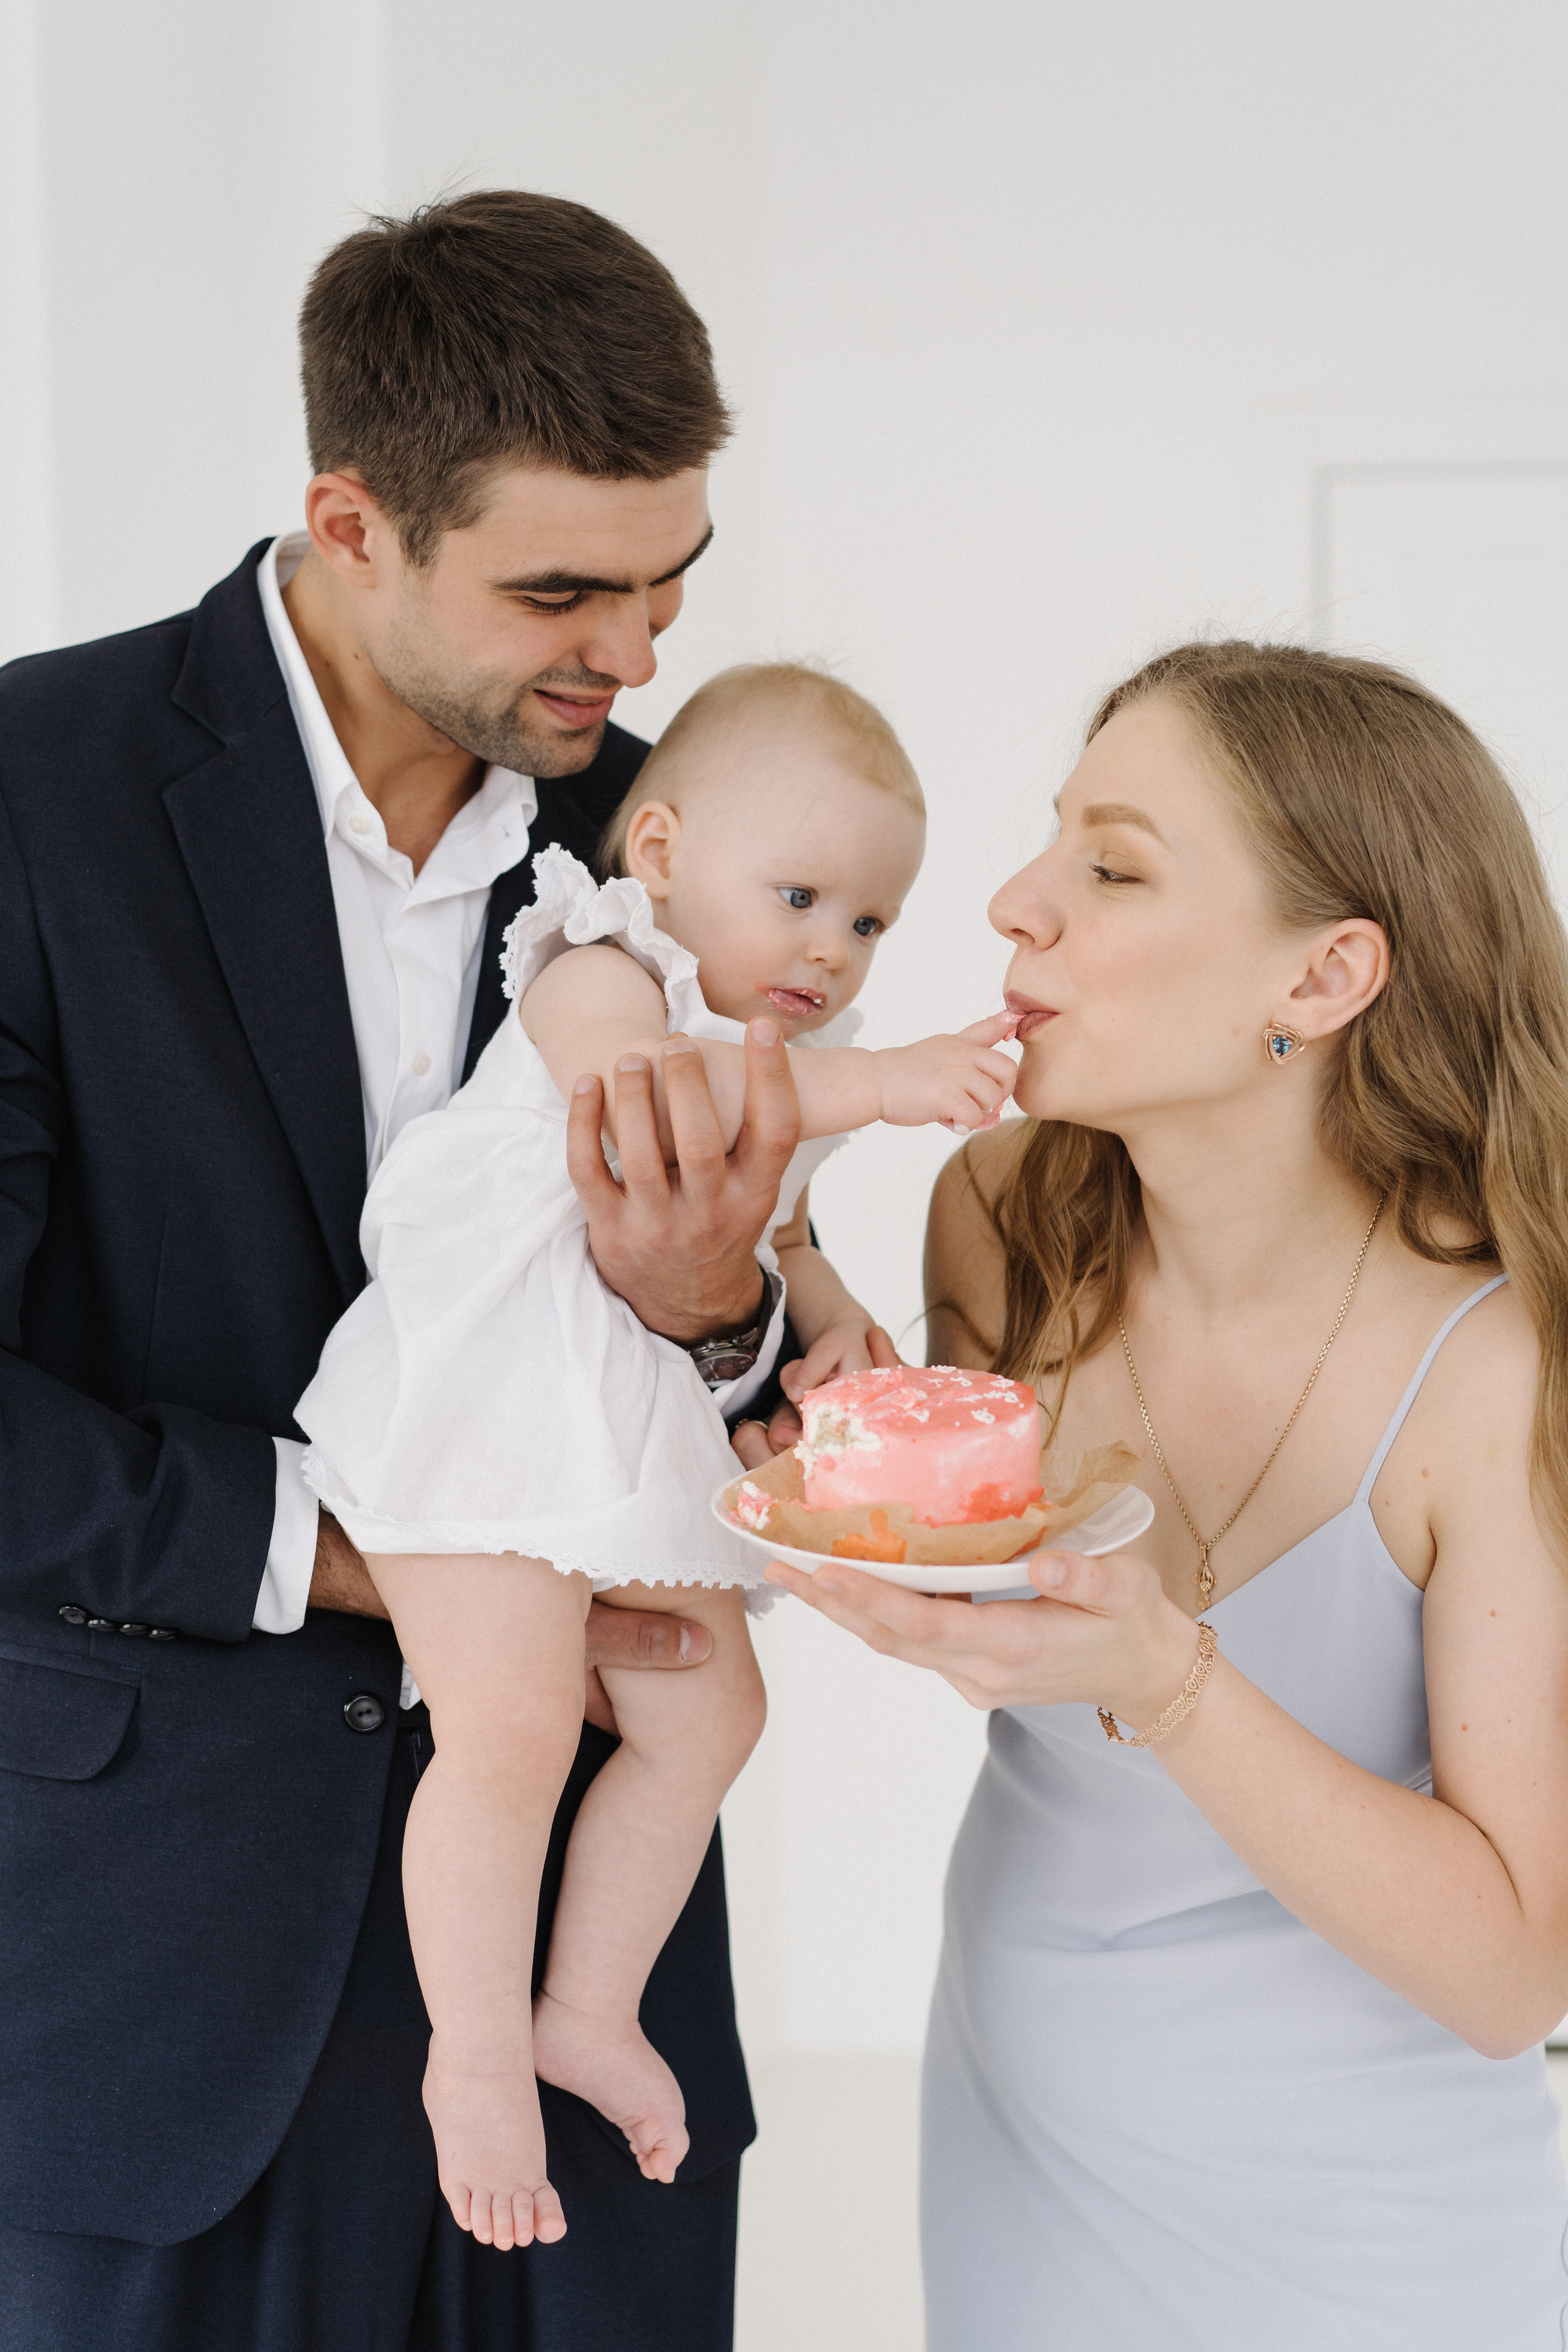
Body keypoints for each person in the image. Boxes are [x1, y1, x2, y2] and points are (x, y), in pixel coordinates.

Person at [0, 190, 807, 2352]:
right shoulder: (30, 791)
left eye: (667, 585)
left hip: (591, 2009)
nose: (634, 659)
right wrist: (370, 1559)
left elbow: (765, 1331)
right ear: (350, 522)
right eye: (561, 593)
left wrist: (721, 1316)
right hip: (144, 1989)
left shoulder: (676, 833)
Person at [768, 641, 1568, 2350]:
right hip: (1020, 2170)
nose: (1014, 902)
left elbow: (1515, 1974)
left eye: (1115, 867)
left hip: (1378, 2250)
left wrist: (1170, 1680)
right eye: (1053, 839)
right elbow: (962, 1568)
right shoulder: (1004, 1219)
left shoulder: (1499, 1372)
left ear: (1327, 973)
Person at [295, 660, 1019, 2249]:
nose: (831, 951)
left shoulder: (791, 1053)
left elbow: (784, 1224)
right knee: (509, 1727)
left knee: (711, 1711)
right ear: (668, 852)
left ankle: (587, 2005)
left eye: (870, 922)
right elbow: (664, 1110)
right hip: (480, 1408)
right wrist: (893, 1083)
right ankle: (474, 2060)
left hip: (607, 1421)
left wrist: (836, 1323)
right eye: (801, 898)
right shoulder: (598, 959)